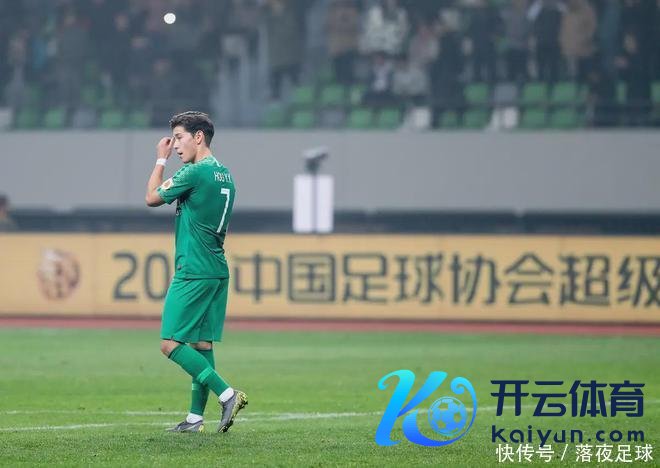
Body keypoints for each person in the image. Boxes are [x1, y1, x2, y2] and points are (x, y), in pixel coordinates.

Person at [144, 111, 247, 433]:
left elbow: (151, 198)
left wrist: (160, 160)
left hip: (194, 270)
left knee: (169, 343)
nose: (175, 145)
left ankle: (228, 394)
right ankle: (194, 419)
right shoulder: (224, 174)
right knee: (202, 345)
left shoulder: (194, 172)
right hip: (217, 269)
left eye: (179, 137)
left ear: (198, 137)